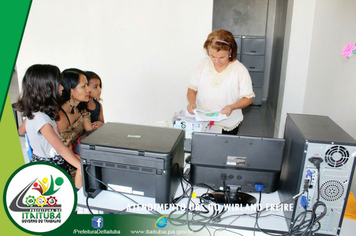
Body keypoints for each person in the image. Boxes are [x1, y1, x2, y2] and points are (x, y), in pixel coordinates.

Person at [16, 64, 82, 188]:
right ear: (46, 89)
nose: (62, 87)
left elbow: (21, 131)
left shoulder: (34, 113)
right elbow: (60, 148)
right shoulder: (42, 120)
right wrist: (80, 165)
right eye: (58, 84)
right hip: (51, 168)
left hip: (40, 162)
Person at [187, 29, 255, 135]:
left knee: (223, 150)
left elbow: (248, 98)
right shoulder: (203, 65)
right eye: (213, 56)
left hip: (227, 124)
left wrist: (233, 107)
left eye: (222, 57)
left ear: (230, 52)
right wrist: (192, 102)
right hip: (203, 121)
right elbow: (192, 89)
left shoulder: (239, 70)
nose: (217, 61)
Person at [56, 68, 93, 180]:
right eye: (83, 86)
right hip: (70, 166)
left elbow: (90, 131)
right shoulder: (61, 116)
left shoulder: (79, 108)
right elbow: (64, 152)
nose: (88, 90)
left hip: (80, 157)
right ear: (71, 90)